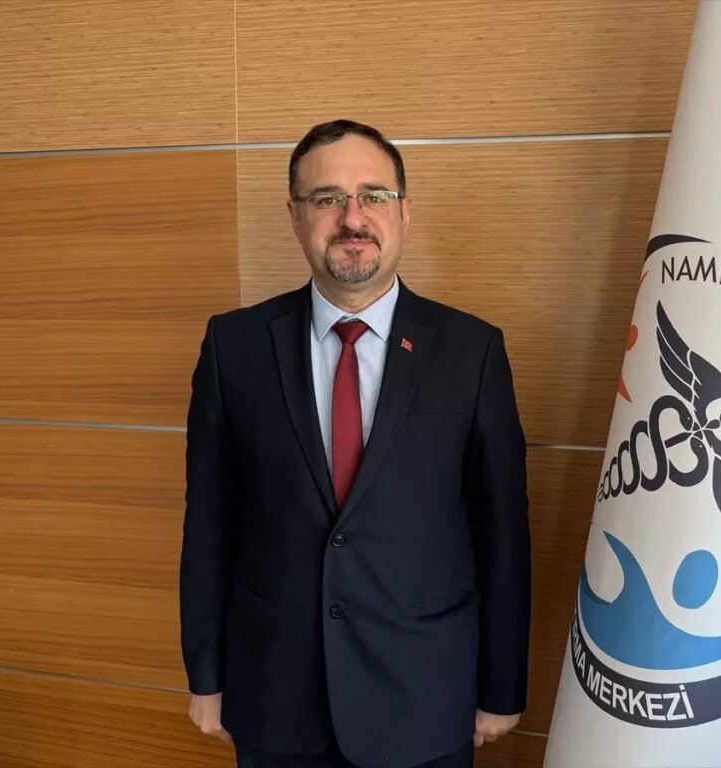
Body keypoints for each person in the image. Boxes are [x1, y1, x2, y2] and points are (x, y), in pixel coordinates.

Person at [179, 119, 531, 768]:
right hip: (274, 695)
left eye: (373, 195)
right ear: (295, 216)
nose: (352, 218)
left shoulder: (472, 351)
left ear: (404, 212)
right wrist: (206, 675)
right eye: (328, 198)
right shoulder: (234, 347)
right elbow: (208, 522)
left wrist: (501, 687)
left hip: (426, 696)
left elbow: (502, 534)